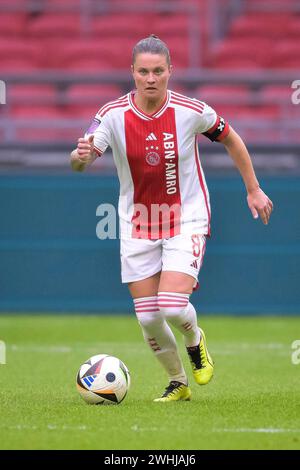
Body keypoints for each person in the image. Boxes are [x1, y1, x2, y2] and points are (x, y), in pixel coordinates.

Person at [70, 35, 273, 402]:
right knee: (148, 318)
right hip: (136, 223)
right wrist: (81, 155)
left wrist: (253, 188)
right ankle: (178, 382)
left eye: (158, 71)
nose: (151, 78)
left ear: (170, 72)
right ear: (132, 72)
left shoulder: (191, 110)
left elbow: (231, 139)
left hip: (186, 218)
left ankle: (195, 339)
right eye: (144, 71)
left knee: (172, 306)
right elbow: (81, 160)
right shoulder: (112, 114)